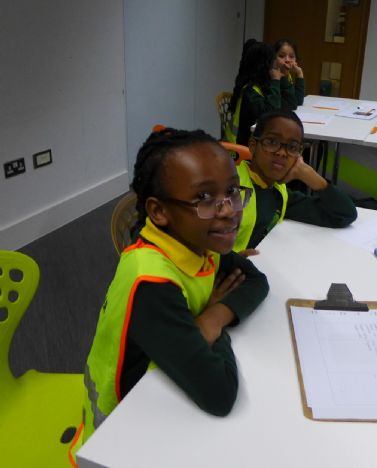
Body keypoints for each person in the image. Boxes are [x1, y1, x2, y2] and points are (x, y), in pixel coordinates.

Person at [82, 128, 269, 441]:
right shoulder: (152, 283)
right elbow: (219, 394)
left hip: (166, 386)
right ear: (159, 212)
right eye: (204, 198)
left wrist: (212, 318)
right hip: (122, 427)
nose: (228, 210)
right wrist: (209, 322)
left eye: (232, 191)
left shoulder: (198, 241)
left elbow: (256, 281)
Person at [233, 110, 357, 253]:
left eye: (292, 147)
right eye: (272, 142)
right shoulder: (227, 188)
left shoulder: (279, 195)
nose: (282, 152)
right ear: (253, 146)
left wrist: (307, 174)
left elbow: (344, 215)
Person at [228, 39, 299, 146]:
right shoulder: (250, 91)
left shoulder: (264, 84)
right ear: (264, 66)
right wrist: (276, 81)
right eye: (273, 62)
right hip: (242, 147)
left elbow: (291, 104)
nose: (276, 65)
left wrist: (283, 75)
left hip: (260, 140)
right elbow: (271, 116)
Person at [274, 38, 305, 108]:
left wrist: (299, 73)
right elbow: (291, 104)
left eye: (291, 57)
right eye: (281, 56)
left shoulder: (287, 75)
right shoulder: (272, 76)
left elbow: (298, 100)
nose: (287, 60)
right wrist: (284, 76)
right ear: (274, 58)